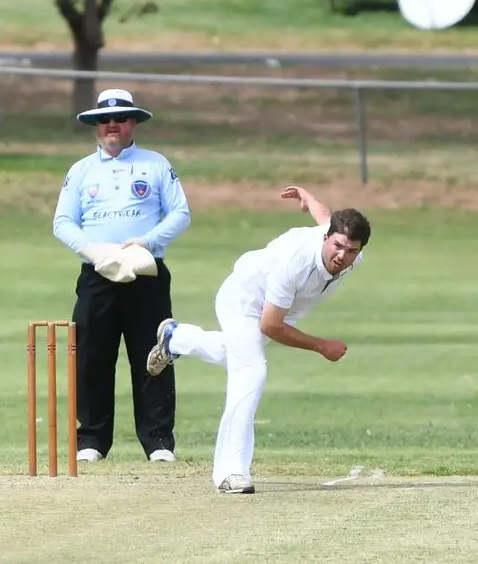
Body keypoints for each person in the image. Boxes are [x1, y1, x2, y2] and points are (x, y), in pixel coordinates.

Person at [145, 185, 371, 494]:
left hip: (278, 308)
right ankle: (230, 473)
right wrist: (322, 346)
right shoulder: (296, 263)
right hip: (245, 299)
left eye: (352, 251)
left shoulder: (347, 249)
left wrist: (309, 199)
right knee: (251, 372)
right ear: (326, 238)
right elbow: (271, 326)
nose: (343, 256)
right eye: (338, 246)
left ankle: (176, 338)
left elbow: (326, 217)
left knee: (234, 355)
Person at [52, 88, 192, 464]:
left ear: (133, 123)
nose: (112, 125)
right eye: (104, 120)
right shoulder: (81, 170)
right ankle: (92, 441)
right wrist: (93, 250)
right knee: (91, 356)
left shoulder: (155, 164)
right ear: (97, 127)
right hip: (98, 273)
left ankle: (158, 441)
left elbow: (180, 214)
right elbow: (62, 222)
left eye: (120, 118)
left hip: (145, 270)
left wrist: (145, 242)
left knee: (154, 353)